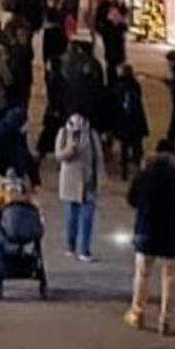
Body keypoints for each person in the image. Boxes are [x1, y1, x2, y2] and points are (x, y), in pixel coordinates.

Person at [124, 140, 175, 334]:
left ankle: (137, 312)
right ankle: (165, 320)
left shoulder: (144, 175)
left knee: (142, 274)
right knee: (169, 277)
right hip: (171, 234)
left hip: (146, 230)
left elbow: (131, 199)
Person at [55, 111, 101, 260]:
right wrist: (71, 148)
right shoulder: (63, 133)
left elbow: (98, 157)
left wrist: (100, 178)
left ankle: (85, 250)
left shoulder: (92, 135)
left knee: (87, 218)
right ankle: (71, 246)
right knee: (71, 218)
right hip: (69, 183)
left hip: (88, 182)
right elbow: (59, 155)